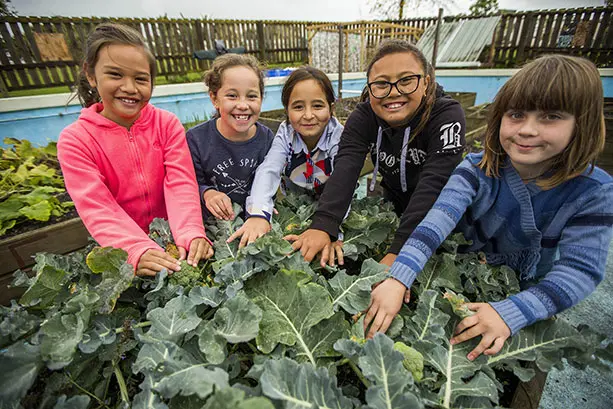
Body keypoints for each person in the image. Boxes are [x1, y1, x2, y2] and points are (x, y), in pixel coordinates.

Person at [364, 55, 613, 362]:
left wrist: (511, 313)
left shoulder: (593, 192)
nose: (527, 130)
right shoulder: (476, 169)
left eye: (550, 117)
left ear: (582, 125)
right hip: (457, 271)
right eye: (517, 115)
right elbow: (435, 223)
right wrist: (399, 277)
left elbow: (580, 271)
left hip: (524, 287)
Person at [287, 39, 466, 270]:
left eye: (406, 80)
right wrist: (324, 224)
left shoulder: (446, 116)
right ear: (369, 87)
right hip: (394, 206)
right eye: (381, 84)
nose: (393, 92)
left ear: (426, 83)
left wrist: (400, 251)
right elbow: (346, 167)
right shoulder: (364, 117)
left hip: (444, 216)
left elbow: (435, 184)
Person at [57, 23, 212, 277]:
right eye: (115, 75)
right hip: (122, 249)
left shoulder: (166, 124)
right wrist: (134, 250)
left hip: (175, 240)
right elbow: (97, 207)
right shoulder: (76, 140)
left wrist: (191, 233)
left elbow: (181, 183)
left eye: (140, 78)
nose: (130, 87)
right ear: (91, 75)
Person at [227, 67, 344, 262]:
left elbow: (342, 183)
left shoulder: (338, 136)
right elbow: (269, 169)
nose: (308, 115)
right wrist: (258, 215)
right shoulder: (286, 133)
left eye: (317, 106)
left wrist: (331, 230)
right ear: (287, 111)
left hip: (332, 203)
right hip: (295, 200)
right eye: (298, 107)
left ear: (331, 109)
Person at [186, 54, 274, 222]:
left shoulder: (267, 139)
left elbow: (270, 181)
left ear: (261, 99)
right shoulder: (196, 139)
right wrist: (208, 193)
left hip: (255, 222)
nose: (242, 105)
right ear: (214, 98)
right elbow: (187, 184)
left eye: (252, 96)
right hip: (212, 226)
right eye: (232, 96)